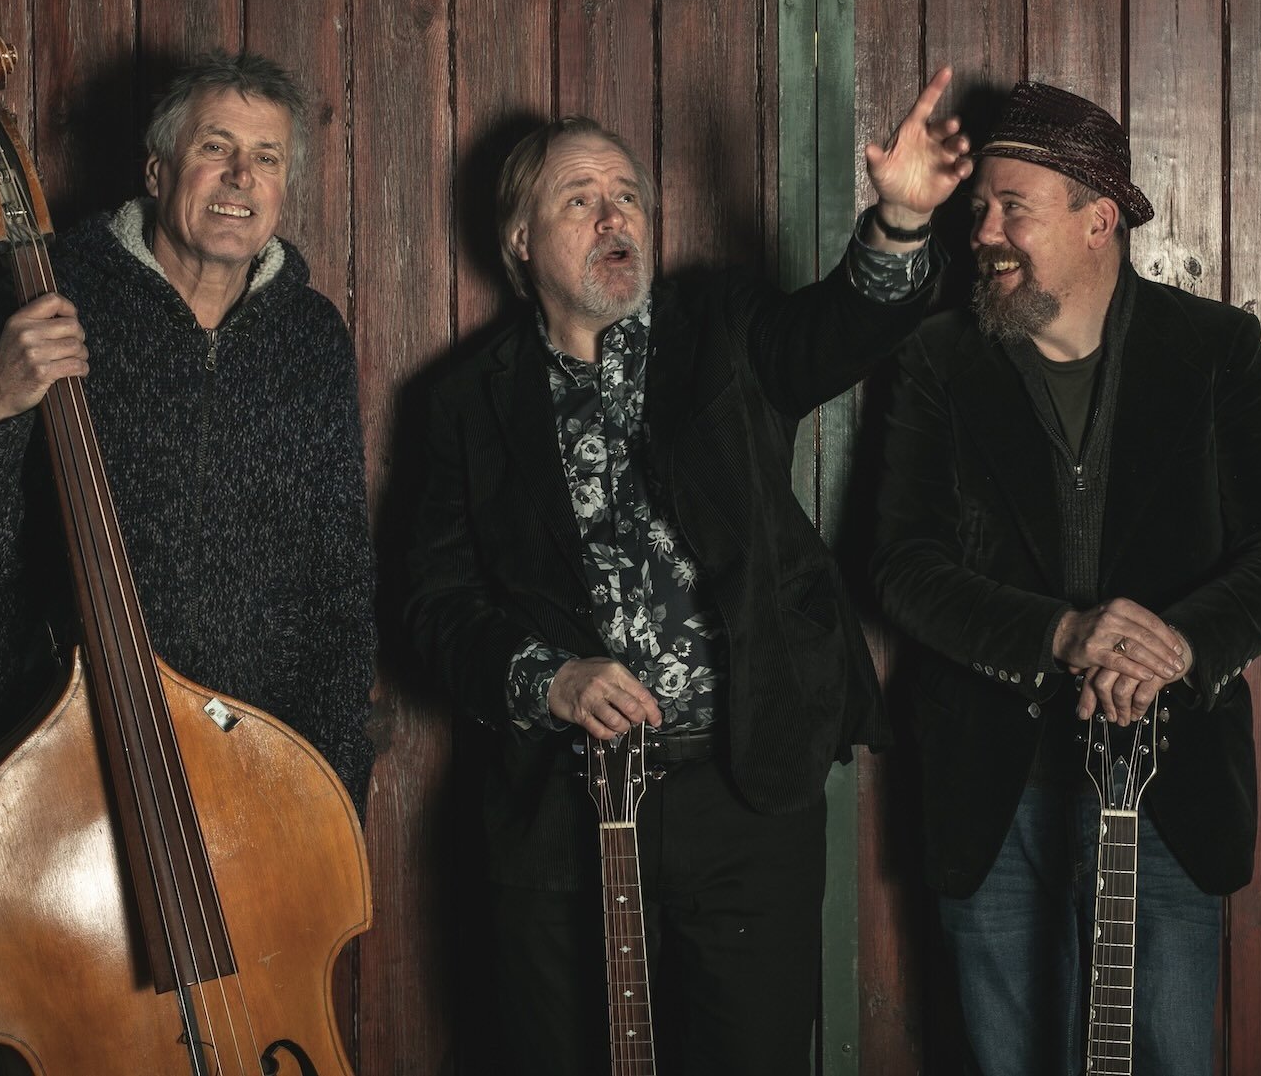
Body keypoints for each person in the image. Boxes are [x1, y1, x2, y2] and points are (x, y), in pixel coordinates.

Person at [405, 71, 970, 1073]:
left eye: (624, 192)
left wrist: (897, 223)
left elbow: (836, 329)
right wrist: (546, 676)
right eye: (578, 198)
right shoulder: (461, 404)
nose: (612, 212)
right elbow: (430, 604)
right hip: (556, 808)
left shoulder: (721, 327)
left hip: (743, 784)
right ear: (520, 242)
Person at [871, 81, 1261, 1075]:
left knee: (1162, 1054)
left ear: (1096, 219)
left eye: (1009, 208)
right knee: (1008, 1057)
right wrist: (1059, 636)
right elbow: (901, 567)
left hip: (1168, 780)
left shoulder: (1212, 349)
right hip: (988, 791)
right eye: (975, 207)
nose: (981, 232)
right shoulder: (937, 358)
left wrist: (1182, 644)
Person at [0, 52, 377, 807]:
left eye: (266, 157)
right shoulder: (40, 300)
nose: (241, 176)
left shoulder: (313, 339)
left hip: (245, 782)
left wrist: (335, 797)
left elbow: (339, 594)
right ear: (156, 173)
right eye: (215, 147)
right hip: (52, 777)